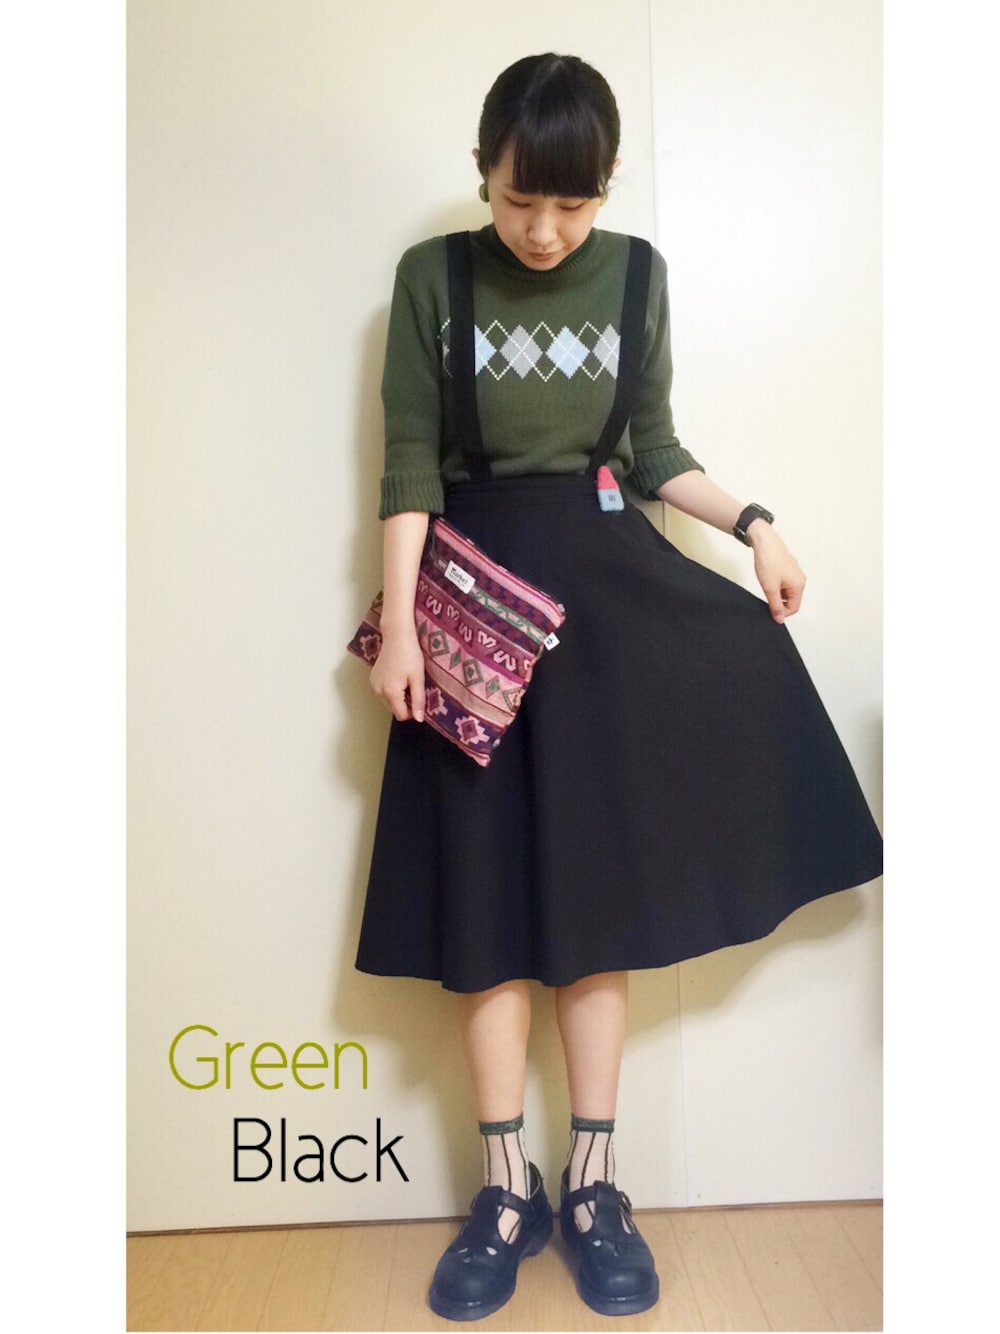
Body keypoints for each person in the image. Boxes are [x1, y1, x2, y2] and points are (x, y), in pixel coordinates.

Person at [354, 53, 883, 1322]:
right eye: (518, 200)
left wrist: (754, 523)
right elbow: (409, 464)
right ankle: (506, 1192)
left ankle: (592, 1184)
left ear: (608, 185)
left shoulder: (638, 275)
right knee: (485, 913)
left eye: (573, 204)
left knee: (593, 907)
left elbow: (651, 450)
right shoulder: (431, 280)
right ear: (481, 171)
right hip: (472, 613)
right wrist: (402, 629)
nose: (544, 231)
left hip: (602, 612)